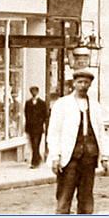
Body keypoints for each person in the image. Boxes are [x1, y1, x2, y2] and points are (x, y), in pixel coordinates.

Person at [47, 68, 109, 215]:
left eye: (86, 83)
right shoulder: (62, 104)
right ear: (74, 83)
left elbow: (101, 132)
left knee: (86, 197)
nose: (82, 85)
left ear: (90, 85)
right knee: (64, 196)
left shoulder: (95, 106)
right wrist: (55, 156)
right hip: (70, 158)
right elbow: (54, 132)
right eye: (79, 82)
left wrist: (105, 156)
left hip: (89, 158)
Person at [24, 86, 48, 168]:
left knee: (36, 144)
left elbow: (45, 115)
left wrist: (41, 122)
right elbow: (26, 114)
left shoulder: (42, 103)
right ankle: (38, 158)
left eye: (35, 91)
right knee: (33, 144)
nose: (33, 93)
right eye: (32, 91)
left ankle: (34, 163)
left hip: (38, 127)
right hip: (30, 127)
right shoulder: (28, 103)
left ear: (37, 92)